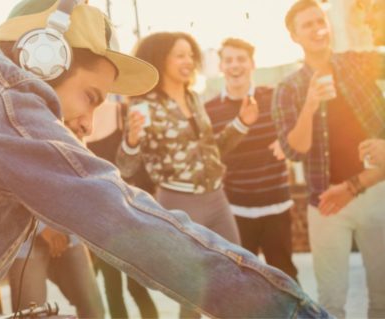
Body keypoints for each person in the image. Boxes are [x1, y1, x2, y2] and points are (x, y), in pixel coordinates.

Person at [0, 0, 327, 317]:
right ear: (43, 58)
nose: (91, 121)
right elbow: (141, 227)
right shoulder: (5, 101)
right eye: (91, 97)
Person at [115, 31, 256, 318]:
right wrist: (131, 139)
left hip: (217, 199)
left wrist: (242, 123)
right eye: (180, 55)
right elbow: (126, 167)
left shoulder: (193, 98)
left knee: (239, 272)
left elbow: (210, 151)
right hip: (179, 203)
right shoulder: (146, 105)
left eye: (191, 55)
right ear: (160, 60)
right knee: (193, 292)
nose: (189, 61)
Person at [272, 0, 385, 317]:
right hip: (325, 202)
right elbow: (295, 151)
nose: (317, 28)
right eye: (306, 25)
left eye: (319, 20)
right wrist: (309, 105)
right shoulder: (288, 87)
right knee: (330, 302)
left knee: (383, 296)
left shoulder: (359, 64)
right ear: (294, 36)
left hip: (375, 189)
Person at [205, 38, 298, 281]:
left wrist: (287, 141)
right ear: (221, 67)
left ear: (252, 64)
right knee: (240, 282)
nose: (235, 65)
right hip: (235, 210)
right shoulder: (209, 109)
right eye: (229, 60)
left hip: (277, 205)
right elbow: (209, 155)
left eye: (241, 59)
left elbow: (299, 131)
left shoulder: (276, 97)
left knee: (285, 278)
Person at [85, 97, 159, 319]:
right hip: (98, 217)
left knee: (137, 287)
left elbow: (142, 165)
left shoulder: (124, 112)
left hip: (128, 213)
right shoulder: (75, 117)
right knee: (112, 288)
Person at [8, 222, 104, 318]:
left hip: (69, 234)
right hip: (26, 239)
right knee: (30, 314)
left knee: (94, 309)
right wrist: (41, 227)